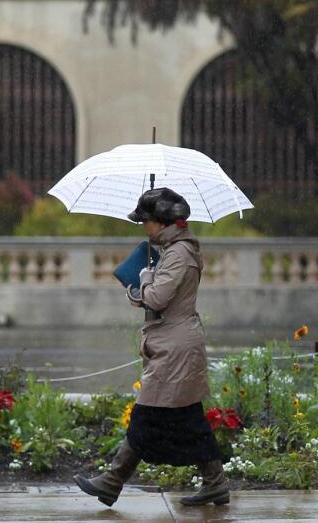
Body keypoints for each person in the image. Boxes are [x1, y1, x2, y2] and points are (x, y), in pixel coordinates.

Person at [74, 187, 228, 508]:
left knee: (145, 414)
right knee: (189, 418)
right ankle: (215, 483)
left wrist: (145, 280)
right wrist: (140, 285)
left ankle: (112, 481)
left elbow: (157, 298)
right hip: (172, 343)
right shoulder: (170, 251)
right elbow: (154, 299)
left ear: (162, 222)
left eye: (146, 221)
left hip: (175, 349)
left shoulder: (179, 254)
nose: (144, 226)